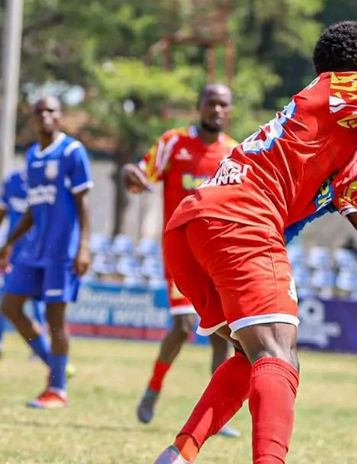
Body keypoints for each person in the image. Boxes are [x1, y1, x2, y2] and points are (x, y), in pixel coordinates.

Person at [153, 20, 357, 464]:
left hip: (192, 225)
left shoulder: (346, 157)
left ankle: (179, 454)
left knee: (255, 354)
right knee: (279, 355)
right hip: (242, 218)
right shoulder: (349, 85)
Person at [122, 84, 241, 437]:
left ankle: (218, 416)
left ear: (229, 110)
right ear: (198, 106)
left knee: (224, 333)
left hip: (218, 255)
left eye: (223, 104)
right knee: (185, 325)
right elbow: (141, 176)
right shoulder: (173, 143)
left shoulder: (234, 152)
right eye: (211, 103)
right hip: (180, 252)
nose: (217, 110)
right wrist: (131, 175)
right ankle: (153, 388)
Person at [0, 96, 93, 409]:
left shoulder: (72, 151)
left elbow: (83, 203)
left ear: (60, 116)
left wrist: (83, 246)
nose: (45, 115)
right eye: (39, 111)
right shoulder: (32, 155)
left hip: (62, 250)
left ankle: (58, 389)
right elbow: (32, 208)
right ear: (33, 118)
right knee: (10, 305)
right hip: (35, 248)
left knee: (55, 317)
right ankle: (54, 366)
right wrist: (9, 242)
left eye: (51, 110)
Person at [0, 169, 46, 359]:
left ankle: (41, 350)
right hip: (13, 253)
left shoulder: (45, 179)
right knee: (5, 299)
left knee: (37, 304)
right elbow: (3, 211)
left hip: (36, 253)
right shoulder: (12, 180)